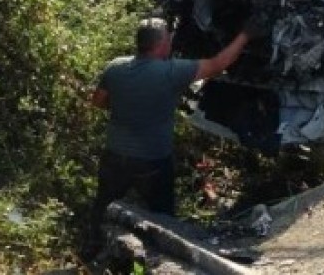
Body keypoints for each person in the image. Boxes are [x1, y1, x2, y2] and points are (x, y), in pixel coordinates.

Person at [87, 17, 251, 247]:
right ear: (161, 44)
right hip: (153, 163)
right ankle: (159, 261)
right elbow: (217, 65)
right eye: (169, 39)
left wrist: (128, 106)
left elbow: (98, 101)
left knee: (103, 208)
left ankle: (93, 251)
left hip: (115, 157)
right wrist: (245, 35)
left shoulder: (115, 67)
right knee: (163, 221)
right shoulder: (172, 71)